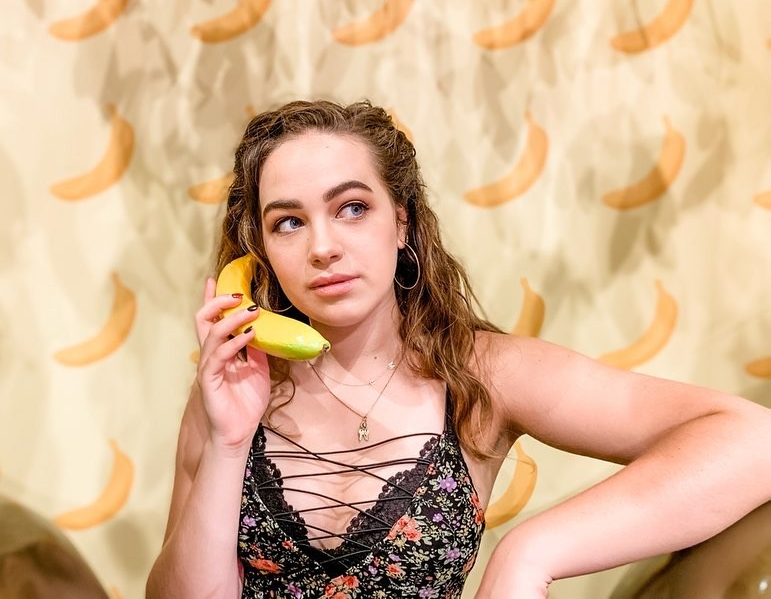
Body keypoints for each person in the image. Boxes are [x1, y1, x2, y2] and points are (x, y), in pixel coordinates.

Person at [146, 100, 771, 598]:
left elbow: (753, 441)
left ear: (402, 222)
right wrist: (228, 443)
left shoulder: (479, 373)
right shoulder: (232, 389)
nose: (323, 247)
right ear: (259, 251)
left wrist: (531, 551)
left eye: (352, 208)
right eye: (289, 222)